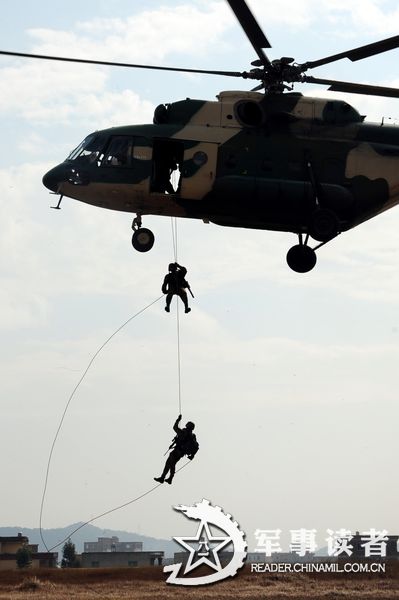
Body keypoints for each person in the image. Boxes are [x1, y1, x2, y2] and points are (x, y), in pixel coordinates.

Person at [154, 414, 199, 484]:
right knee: (171, 463)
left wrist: (178, 420)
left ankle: (165, 478)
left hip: (178, 451)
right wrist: (192, 455)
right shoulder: (192, 436)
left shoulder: (184, 432)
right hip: (181, 452)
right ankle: (167, 478)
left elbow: (175, 428)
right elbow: (196, 446)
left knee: (170, 463)